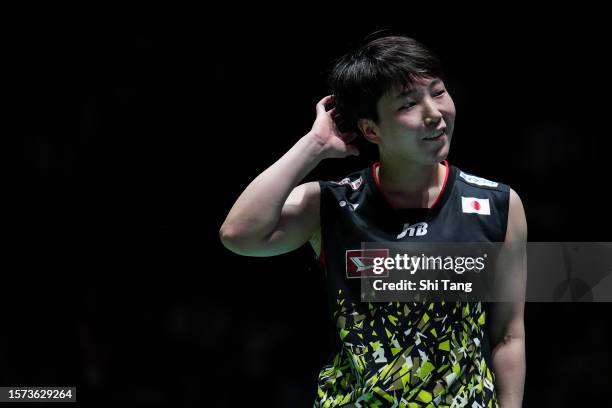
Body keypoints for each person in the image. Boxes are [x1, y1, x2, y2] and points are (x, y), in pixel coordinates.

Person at [220, 34, 526, 407]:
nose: (434, 113)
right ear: (371, 130)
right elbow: (240, 235)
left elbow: (509, 335)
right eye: (409, 104)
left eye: (439, 91)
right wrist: (314, 146)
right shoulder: (331, 204)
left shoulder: (496, 204)